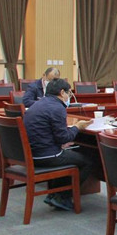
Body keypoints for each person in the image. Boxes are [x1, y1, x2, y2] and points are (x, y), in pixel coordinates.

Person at [23, 79, 92, 211]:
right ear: (62, 92)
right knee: (87, 161)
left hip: (30, 155)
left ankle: (55, 194)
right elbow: (63, 138)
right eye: (69, 93)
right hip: (45, 156)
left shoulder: (38, 104)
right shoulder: (57, 107)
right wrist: (77, 127)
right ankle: (62, 196)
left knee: (71, 154)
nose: (69, 97)